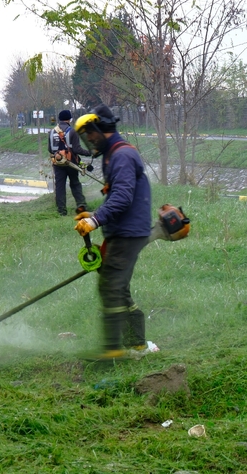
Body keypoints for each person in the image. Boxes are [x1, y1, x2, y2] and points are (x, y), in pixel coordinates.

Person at [72, 104, 155, 360]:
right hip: (124, 230)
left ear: (101, 128)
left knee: (110, 287)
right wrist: (94, 215)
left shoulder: (121, 155)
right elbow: (115, 196)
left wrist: (96, 221)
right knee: (119, 288)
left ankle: (113, 350)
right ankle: (138, 345)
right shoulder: (112, 154)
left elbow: (122, 197)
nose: (88, 140)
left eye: (90, 134)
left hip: (128, 232)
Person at [48, 110, 91, 216]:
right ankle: (81, 206)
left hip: (58, 163)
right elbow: (77, 149)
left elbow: (50, 149)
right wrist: (89, 153)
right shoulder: (72, 131)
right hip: (71, 163)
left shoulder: (52, 132)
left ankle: (61, 211)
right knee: (75, 184)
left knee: (60, 186)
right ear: (69, 119)